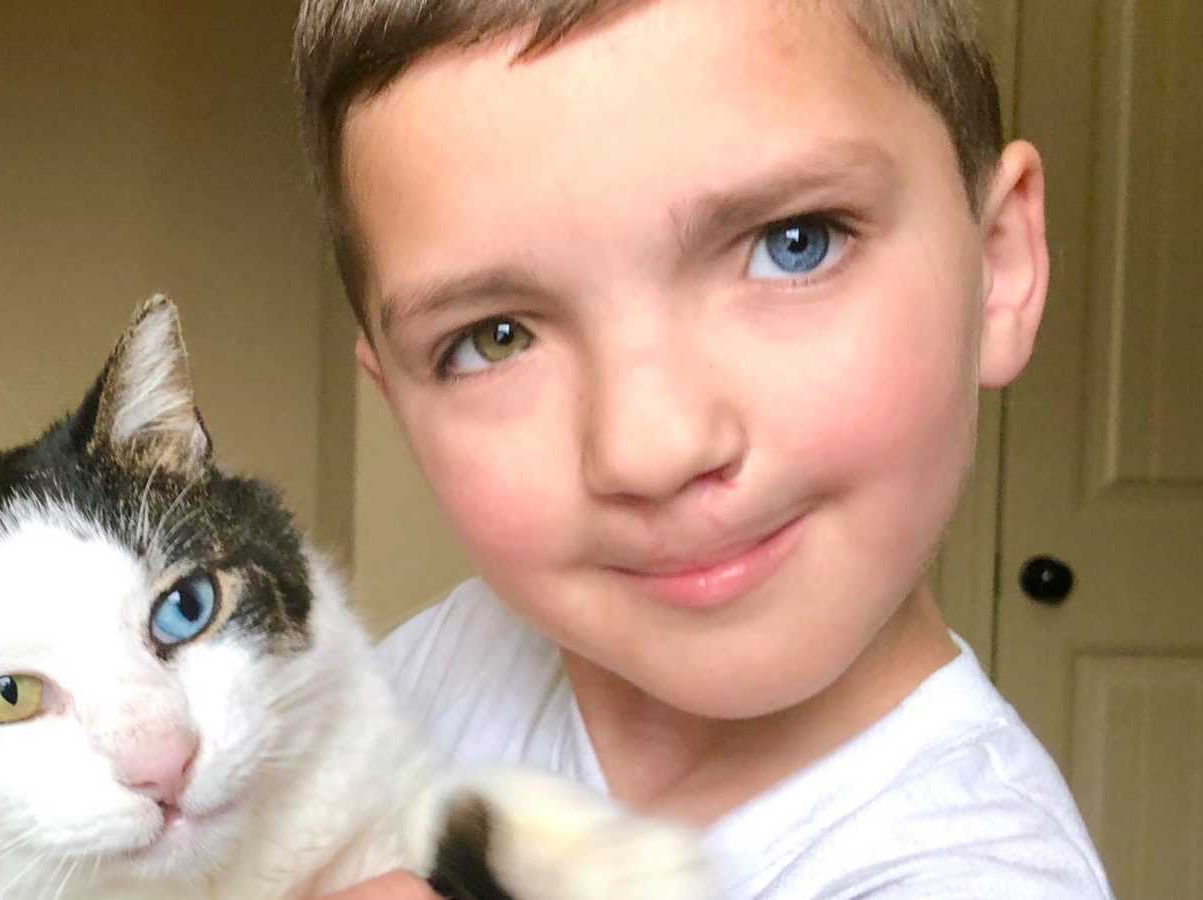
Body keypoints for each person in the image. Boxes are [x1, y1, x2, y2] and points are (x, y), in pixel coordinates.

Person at [294, 0, 1112, 896]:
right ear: (401, 406)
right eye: (495, 337)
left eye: (792, 245)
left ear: (997, 265)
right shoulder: (425, 671)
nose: (652, 449)